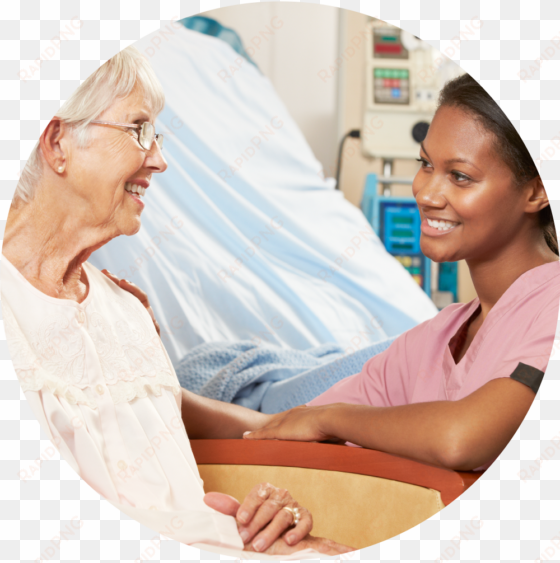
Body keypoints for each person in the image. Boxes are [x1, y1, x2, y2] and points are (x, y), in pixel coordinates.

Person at [0, 46, 351, 558]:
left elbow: (171, 485)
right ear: (57, 143)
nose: (159, 160)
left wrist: (258, 516)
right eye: (138, 129)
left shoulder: (125, 313)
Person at [174, 73, 560, 474]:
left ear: (537, 190)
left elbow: (463, 440)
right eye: (426, 164)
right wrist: (145, 388)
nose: (425, 194)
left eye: (460, 176)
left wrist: (331, 418)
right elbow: (281, 428)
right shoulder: (432, 342)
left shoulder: (549, 308)